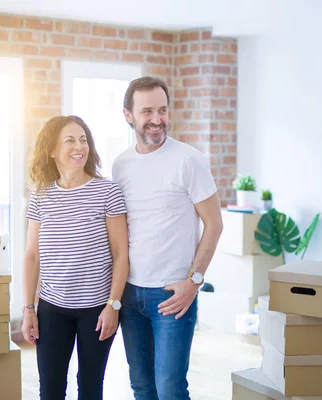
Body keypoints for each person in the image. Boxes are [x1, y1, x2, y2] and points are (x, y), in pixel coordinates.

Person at [112, 76, 224, 400]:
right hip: (130, 295)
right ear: (128, 115)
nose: (157, 120)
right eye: (147, 111)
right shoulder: (121, 165)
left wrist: (194, 280)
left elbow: (214, 225)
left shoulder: (188, 160)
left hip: (173, 294)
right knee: (142, 388)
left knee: (171, 390)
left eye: (162, 110)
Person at [21, 115, 130, 400]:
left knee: (91, 388)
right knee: (51, 390)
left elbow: (121, 255)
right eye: (69, 140)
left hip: (96, 309)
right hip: (52, 309)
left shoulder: (106, 191)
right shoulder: (41, 195)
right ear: (52, 150)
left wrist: (113, 306)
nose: (79, 146)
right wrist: (28, 309)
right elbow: (32, 256)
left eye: (83, 140)